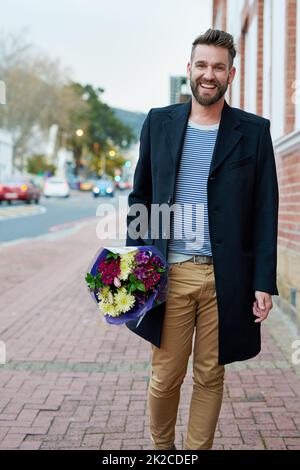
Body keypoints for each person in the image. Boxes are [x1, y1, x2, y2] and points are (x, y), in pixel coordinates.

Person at [125, 28, 279, 450]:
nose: (209, 74)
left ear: (231, 73)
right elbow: (140, 195)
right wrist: (135, 266)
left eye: (218, 67)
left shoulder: (254, 131)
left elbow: (266, 209)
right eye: (202, 65)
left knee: (211, 374)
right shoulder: (159, 123)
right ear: (188, 69)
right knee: (165, 375)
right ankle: (162, 451)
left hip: (225, 278)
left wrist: (264, 280)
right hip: (169, 275)